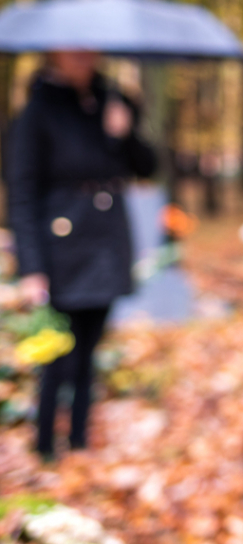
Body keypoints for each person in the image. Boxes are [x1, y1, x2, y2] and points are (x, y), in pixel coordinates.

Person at [7, 51, 157, 461]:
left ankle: (78, 438)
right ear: (55, 53)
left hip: (107, 241)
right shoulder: (36, 113)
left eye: (89, 50)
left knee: (90, 349)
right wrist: (32, 268)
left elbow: (146, 167)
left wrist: (124, 132)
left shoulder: (112, 102)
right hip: (61, 247)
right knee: (58, 353)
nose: (83, 58)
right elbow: (21, 194)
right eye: (73, 50)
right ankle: (44, 445)